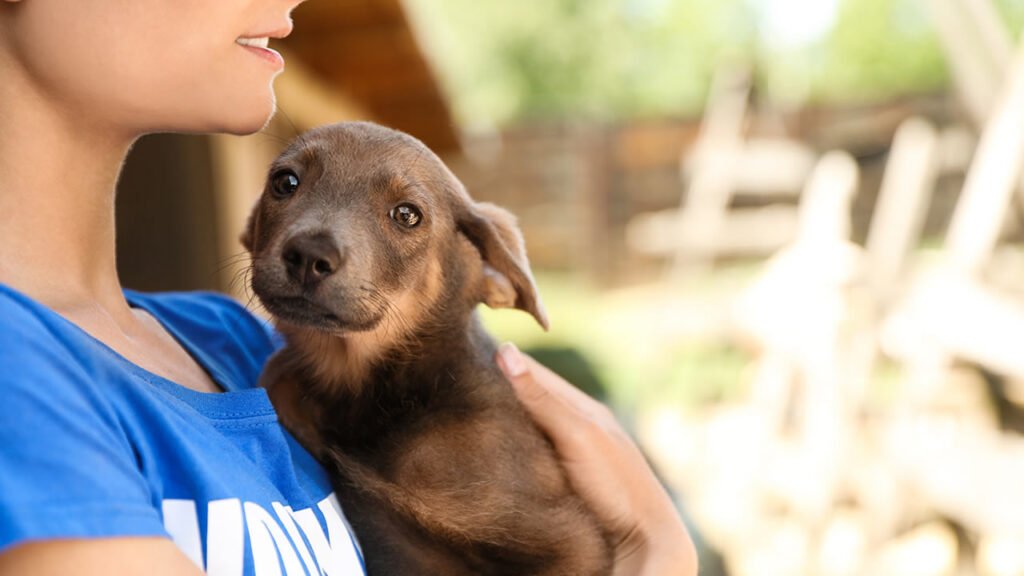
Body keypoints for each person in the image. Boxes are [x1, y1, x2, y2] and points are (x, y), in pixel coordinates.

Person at [0, 0, 698, 574]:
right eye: (288, 185)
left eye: (401, 216)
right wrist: (658, 556)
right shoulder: (19, 367)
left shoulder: (248, 353)